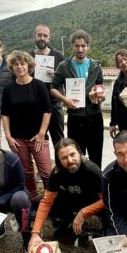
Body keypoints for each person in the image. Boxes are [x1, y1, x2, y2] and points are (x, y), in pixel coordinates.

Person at [27, 138, 107, 252]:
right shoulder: (56, 173)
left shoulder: (92, 170)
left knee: (111, 210)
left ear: (79, 153)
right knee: (37, 201)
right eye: (64, 158)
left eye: (72, 154)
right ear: (59, 160)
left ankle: (108, 233)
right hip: (70, 203)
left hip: (92, 204)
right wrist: (35, 232)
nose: (70, 160)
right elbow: (46, 203)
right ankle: (68, 221)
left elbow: (106, 200)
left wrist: (84, 213)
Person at [1, 51, 52, 201]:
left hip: (38, 137)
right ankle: (33, 197)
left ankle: (51, 200)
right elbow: (5, 115)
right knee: (26, 172)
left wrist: (42, 133)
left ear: (28, 65)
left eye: (22, 63)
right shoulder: (8, 89)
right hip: (18, 138)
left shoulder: (39, 85)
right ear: (12, 67)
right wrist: (8, 137)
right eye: (16, 64)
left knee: (46, 172)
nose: (19, 67)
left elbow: (47, 112)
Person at [50, 30, 105, 166]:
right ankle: (80, 184)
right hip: (75, 117)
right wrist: (65, 100)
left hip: (95, 116)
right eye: (77, 46)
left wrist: (98, 96)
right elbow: (53, 88)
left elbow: (101, 89)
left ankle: (97, 185)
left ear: (88, 46)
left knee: (96, 155)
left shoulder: (96, 66)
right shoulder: (64, 66)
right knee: (76, 157)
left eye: (83, 46)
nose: (80, 49)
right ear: (72, 47)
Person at [30, 24, 66, 148]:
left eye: (45, 35)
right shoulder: (29, 57)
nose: (42, 38)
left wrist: (57, 76)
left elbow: (66, 79)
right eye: (39, 35)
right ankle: (44, 167)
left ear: (49, 39)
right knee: (39, 140)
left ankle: (60, 166)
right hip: (35, 104)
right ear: (34, 37)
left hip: (54, 103)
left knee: (59, 141)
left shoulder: (59, 56)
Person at [109, 49, 127, 139]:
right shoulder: (118, 82)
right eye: (120, 61)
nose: (123, 62)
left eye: (125, 59)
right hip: (123, 123)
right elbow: (114, 102)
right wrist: (113, 123)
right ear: (118, 65)